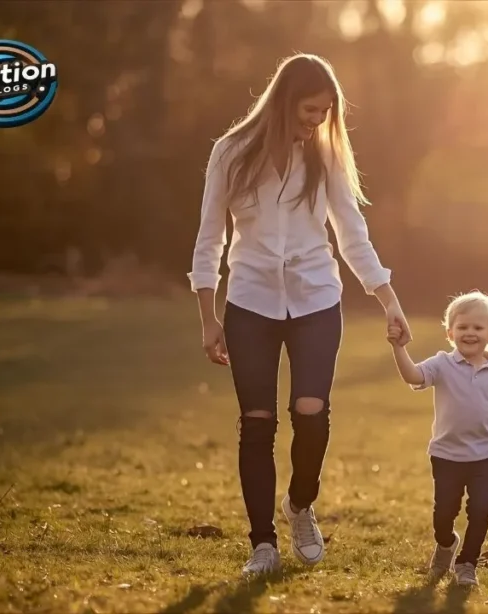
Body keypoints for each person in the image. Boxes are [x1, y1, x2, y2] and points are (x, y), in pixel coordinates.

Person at [187, 53, 413, 577]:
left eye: (325, 111)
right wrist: (208, 315)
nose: (318, 119)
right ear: (285, 100)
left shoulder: (326, 158)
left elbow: (352, 234)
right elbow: (209, 237)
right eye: (311, 109)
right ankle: (262, 544)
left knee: (311, 414)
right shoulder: (230, 153)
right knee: (257, 421)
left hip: (315, 298)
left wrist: (389, 301)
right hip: (249, 303)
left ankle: (299, 504)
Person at [386, 290, 488, 587]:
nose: (470, 333)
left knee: (480, 510)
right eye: (462, 327)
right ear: (450, 333)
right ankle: (447, 544)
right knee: (443, 515)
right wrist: (399, 349)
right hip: (446, 454)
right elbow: (412, 376)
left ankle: (466, 564)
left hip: (485, 455)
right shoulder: (441, 365)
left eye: (477, 328)